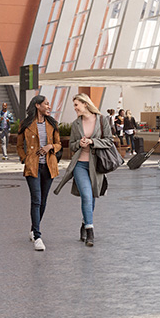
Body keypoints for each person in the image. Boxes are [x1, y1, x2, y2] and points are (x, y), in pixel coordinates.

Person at [52, 93, 109, 247]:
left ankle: (85, 222)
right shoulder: (76, 124)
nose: (75, 108)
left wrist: (92, 141)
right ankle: (90, 231)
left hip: (96, 165)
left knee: (93, 196)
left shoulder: (102, 120)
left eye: (77, 105)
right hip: (80, 165)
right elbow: (71, 146)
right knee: (86, 195)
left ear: (85, 104)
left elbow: (109, 141)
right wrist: (79, 143)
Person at [15, 94, 60, 251]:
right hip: (32, 167)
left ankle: (34, 229)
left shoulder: (52, 124)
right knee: (36, 199)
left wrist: (50, 147)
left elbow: (59, 144)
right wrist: (24, 159)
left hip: (49, 167)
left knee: (43, 201)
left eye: (48, 104)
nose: (48, 106)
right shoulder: (26, 124)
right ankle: (38, 237)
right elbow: (19, 146)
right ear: (37, 106)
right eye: (46, 104)